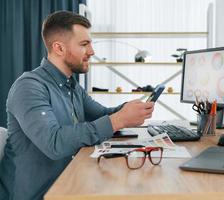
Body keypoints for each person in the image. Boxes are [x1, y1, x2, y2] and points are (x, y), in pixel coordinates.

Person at [0, 11, 154, 200]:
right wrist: (118, 119)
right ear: (59, 48)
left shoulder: (71, 85)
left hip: (69, 182)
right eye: (84, 44)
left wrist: (130, 108)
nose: (92, 51)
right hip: (38, 194)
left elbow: (102, 115)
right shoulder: (29, 87)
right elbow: (54, 143)